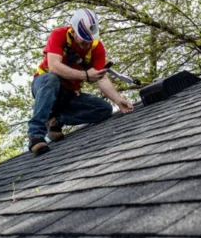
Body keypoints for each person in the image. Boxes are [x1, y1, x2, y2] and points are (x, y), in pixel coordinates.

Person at [28, 8, 134, 155]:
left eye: (90, 38)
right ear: (73, 30)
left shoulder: (97, 48)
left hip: (69, 95)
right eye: (83, 38)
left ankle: (56, 120)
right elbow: (53, 67)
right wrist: (85, 75)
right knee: (51, 79)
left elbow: (101, 78)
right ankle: (36, 134)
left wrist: (118, 100)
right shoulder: (58, 35)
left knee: (104, 109)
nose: (87, 42)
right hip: (44, 86)